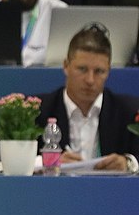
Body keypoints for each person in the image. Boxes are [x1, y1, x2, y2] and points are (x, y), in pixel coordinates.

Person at [36, 24, 139, 173]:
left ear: (109, 71)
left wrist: (129, 163)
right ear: (66, 66)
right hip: (54, 193)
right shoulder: (37, 110)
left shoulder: (129, 112)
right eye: (82, 69)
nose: (90, 80)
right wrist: (47, 161)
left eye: (99, 71)